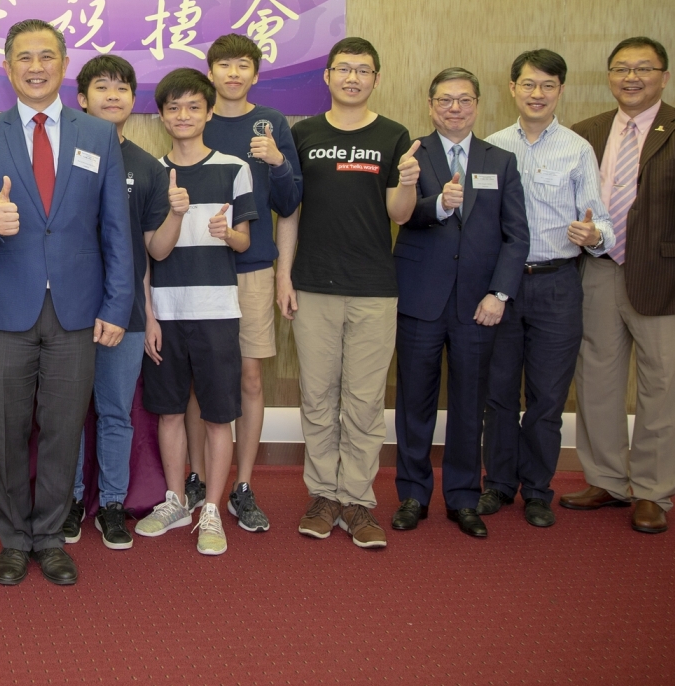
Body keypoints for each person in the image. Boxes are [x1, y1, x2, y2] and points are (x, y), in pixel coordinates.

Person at [0, 20, 133, 587]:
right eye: (24, 57)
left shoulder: (98, 136)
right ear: (7, 68)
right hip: (6, 308)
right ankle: (13, 539)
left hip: (78, 311)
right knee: (6, 429)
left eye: (47, 56)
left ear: (64, 65)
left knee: (62, 429)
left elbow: (115, 230)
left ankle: (51, 537)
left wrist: (117, 304)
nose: (36, 66)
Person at [564, 36, 675, 534]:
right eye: (621, 68)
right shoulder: (587, 133)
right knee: (596, 382)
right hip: (598, 270)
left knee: (663, 387)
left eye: (644, 68)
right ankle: (607, 480)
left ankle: (654, 491)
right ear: (609, 76)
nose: (631, 77)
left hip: (665, 278)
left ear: (664, 75)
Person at [276, 37, 418, 550]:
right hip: (312, 284)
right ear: (328, 77)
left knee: (362, 401)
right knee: (317, 397)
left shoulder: (394, 135)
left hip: (373, 288)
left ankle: (356, 499)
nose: (353, 77)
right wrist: (282, 276)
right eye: (344, 69)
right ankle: (323, 495)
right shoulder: (305, 134)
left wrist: (407, 182)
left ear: (376, 78)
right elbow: (289, 210)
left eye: (363, 70)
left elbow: (399, 214)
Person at [390, 68, 528, 539]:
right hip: (420, 297)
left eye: (464, 100)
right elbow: (402, 215)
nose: (454, 108)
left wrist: (499, 293)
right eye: (445, 100)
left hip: (478, 305)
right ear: (430, 106)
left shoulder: (501, 160)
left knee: (470, 403)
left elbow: (516, 237)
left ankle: (465, 498)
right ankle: (412, 494)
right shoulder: (411, 153)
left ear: (477, 105)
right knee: (414, 402)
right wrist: (440, 205)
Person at [481, 49, 612, 528]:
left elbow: (602, 220)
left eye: (548, 86)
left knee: (547, 399)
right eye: (529, 84)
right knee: (497, 396)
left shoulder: (577, 149)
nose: (538, 94)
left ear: (561, 90)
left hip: (558, 285)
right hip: (502, 287)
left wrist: (595, 236)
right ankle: (496, 485)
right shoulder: (492, 147)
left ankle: (536, 490)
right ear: (512, 87)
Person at [133, 68, 257, 556]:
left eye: (192, 107)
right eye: (173, 108)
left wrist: (229, 234)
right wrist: (177, 214)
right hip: (166, 310)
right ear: (162, 116)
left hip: (217, 311)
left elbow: (246, 240)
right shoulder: (151, 173)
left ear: (208, 112)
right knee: (167, 412)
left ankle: (212, 509)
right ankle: (176, 500)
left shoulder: (233, 168)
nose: (183, 116)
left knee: (217, 415)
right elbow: (154, 254)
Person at [184, 33, 302, 532]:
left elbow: (291, 203)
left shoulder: (270, 124)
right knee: (199, 380)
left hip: (251, 269)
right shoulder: (195, 117)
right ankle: (194, 475)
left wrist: (277, 161)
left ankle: (243, 485)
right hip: (196, 272)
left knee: (250, 377)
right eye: (224, 65)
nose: (233, 73)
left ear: (256, 73)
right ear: (210, 72)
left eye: (243, 66)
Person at [63, 54, 170, 550]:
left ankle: (110, 505)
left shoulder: (148, 167)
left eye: (122, 87)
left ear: (133, 100)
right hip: (65, 309)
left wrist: (147, 314)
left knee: (114, 413)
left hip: (124, 312)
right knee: (65, 413)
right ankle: (68, 501)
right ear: (81, 99)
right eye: (101, 87)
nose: (112, 95)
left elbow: (147, 251)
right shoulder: (61, 154)